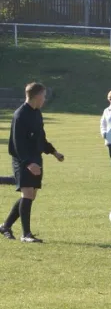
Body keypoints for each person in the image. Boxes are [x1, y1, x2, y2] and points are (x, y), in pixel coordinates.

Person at [0, 82, 65, 243]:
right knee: (27, 193)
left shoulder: (37, 113)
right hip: (22, 160)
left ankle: (5, 226)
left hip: (36, 158)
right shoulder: (20, 115)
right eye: (43, 96)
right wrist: (28, 163)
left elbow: (40, 138)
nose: (45, 98)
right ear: (36, 96)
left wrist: (54, 152)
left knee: (30, 195)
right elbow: (17, 143)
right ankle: (26, 234)